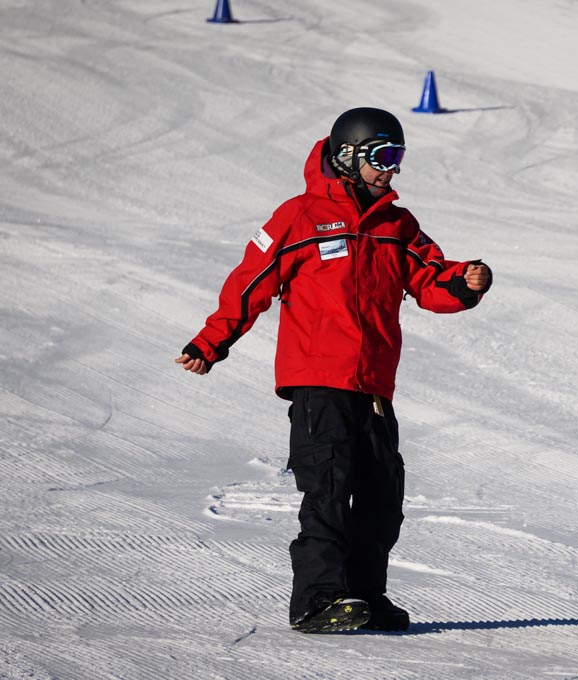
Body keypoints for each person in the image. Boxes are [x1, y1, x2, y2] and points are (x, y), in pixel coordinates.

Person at [175, 107, 492, 634]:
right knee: (328, 488)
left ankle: (365, 595)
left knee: (381, 493)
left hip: (372, 383)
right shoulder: (299, 216)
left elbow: (431, 280)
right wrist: (212, 342)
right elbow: (250, 283)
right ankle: (317, 599)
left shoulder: (397, 224)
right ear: (349, 155)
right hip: (319, 379)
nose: (391, 169)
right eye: (382, 157)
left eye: (398, 158)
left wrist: (466, 283)